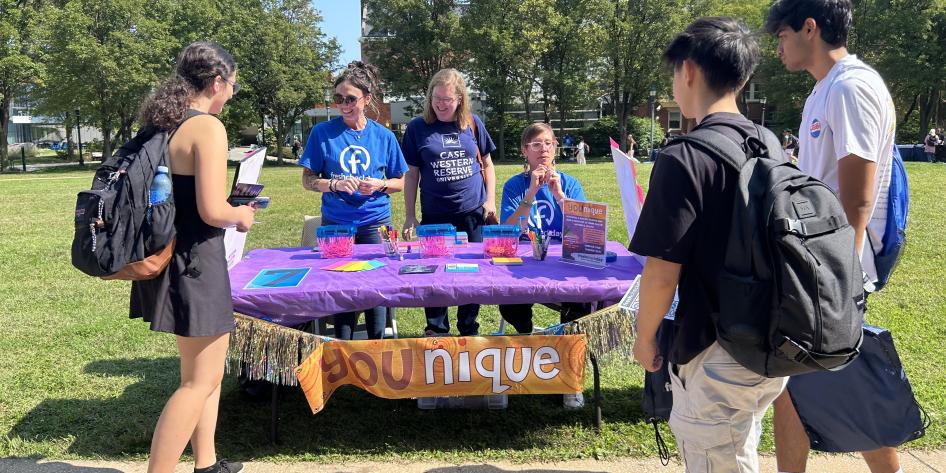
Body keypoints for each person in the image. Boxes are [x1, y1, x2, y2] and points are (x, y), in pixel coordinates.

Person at [631, 17, 787, 473]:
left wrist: (644, 340)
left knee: (718, 459)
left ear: (690, 71)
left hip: (715, 351)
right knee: (739, 449)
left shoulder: (685, 156)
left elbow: (661, 273)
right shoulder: (768, 143)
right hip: (768, 341)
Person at [766, 1, 901, 472]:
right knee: (793, 386)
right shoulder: (824, 90)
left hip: (833, 269)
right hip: (815, 264)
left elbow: (858, 197)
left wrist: (837, 278)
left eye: (781, 35)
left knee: (844, 387)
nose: (778, 46)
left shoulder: (852, 86)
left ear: (810, 28)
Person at [131, 41, 255, 473]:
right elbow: (212, 210)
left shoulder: (164, 121)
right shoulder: (207, 127)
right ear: (217, 81)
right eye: (233, 86)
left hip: (169, 256)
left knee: (207, 376)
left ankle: (207, 463)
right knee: (196, 382)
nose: (231, 94)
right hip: (197, 261)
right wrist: (241, 214)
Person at [300, 61, 407, 340]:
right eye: (338, 99)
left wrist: (380, 184)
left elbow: (401, 182)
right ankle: (343, 348)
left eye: (350, 99)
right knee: (342, 285)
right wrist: (334, 184)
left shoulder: (383, 136)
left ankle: (376, 347)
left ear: (367, 99)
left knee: (376, 287)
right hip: (337, 224)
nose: (344, 105)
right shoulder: (321, 133)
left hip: (376, 223)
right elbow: (307, 180)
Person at [498, 122, 589, 408]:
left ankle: (570, 376)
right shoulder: (515, 185)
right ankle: (528, 337)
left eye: (548, 143)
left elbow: (585, 232)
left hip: (562, 263)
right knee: (507, 300)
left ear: (556, 149)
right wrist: (530, 195)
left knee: (581, 303)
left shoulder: (570, 183)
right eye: (536, 144)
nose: (543, 149)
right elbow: (507, 232)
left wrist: (560, 197)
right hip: (523, 263)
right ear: (525, 151)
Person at [401, 68, 497, 337]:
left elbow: (488, 165)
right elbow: (411, 175)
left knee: (472, 272)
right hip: (435, 215)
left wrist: (490, 200)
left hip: (472, 212)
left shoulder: (473, 123)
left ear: (460, 99)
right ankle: (436, 330)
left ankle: (468, 327)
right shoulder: (417, 128)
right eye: (436, 98)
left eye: (448, 99)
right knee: (434, 274)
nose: (441, 104)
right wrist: (410, 215)